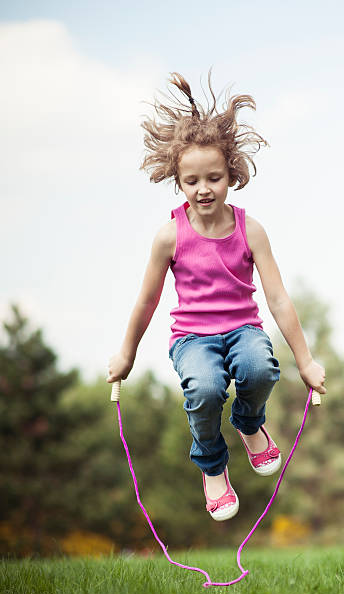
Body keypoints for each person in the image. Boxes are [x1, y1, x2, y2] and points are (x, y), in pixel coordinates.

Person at [107, 72, 326, 521]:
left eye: (214, 177)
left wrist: (305, 361)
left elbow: (279, 299)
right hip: (193, 339)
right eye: (192, 181)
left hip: (243, 329)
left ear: (232, 175)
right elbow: (145, 302)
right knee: (205, 389)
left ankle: (249, 423)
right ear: (178, 181)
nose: (203, 188)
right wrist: (126, 355)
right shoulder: (169, 237)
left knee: (261, 369)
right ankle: (212, 465)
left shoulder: (252, 230)